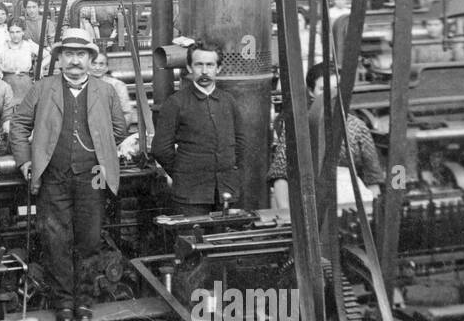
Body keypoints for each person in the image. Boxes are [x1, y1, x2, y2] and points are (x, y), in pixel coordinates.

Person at [9, 28, 127, 321]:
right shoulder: (42, 88)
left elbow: (119, 129)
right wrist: (25, 161)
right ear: (59, 58)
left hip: (93, 176)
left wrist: (97, 148)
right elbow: (19, 125)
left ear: (91, 59)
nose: (75, 61)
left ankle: (84, 300)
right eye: (69, 54)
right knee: (56, 238)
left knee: (89, 238)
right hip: (53, 175)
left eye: (81, 55)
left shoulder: (106, 91)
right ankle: (62, 301)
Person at [270, 62, 385, 214]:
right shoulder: (297, 128)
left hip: (351, 209)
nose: (332, 95)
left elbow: (373, 179)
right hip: (310, 208)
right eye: (323, 89)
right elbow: (280, 175)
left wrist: (373, 214)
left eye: (337, 88)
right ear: (311, 92)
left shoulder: (358, 128)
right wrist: (286, 215)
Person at [151, 39, 245, 215]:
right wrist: (183, 174)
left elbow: (241, 143)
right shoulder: (176, 103)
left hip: (225, 193)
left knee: (223, 240)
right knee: (192, 240)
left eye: (210, 65)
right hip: (190, 196)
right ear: (189, 68)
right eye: (198, 65)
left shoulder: (228, 101)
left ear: (219, 68)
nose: (204, 71)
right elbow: (161, 149)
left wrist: (228, 169)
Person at [0, 17, 40, 102]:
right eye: (12, 32)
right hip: (8, 83)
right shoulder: (3, 46)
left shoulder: (28, 45)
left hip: (25, 83)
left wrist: (42, 66)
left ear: (23, 32)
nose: (15, 35)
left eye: (18, 32)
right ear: (8, 33)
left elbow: (48, 55)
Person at [90, 48, 135, 121]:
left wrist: (117, 132)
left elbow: (127, 113)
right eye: (93, 64)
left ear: (106, 68)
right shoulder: (82, 85)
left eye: (101, 64)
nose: (97, 68)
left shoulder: (117, 85)